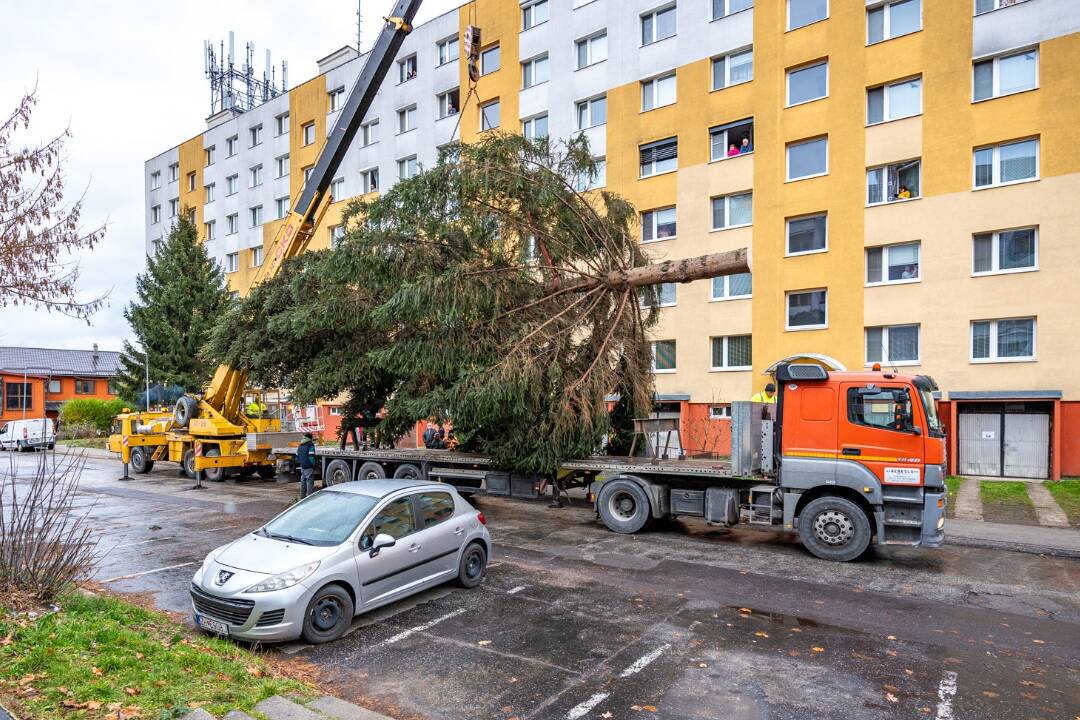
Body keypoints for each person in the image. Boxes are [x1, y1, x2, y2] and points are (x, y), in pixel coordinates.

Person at [296, 433, 317, 499]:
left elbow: (297, 456)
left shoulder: (300, 445)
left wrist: (301, 462)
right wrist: (313, 464)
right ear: (310, 438)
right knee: (309, 481)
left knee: (303, 481)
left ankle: (302, 497)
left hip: (302, 466)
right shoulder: (310, 445)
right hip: (308, 466)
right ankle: (310, 498)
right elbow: (311, 457)